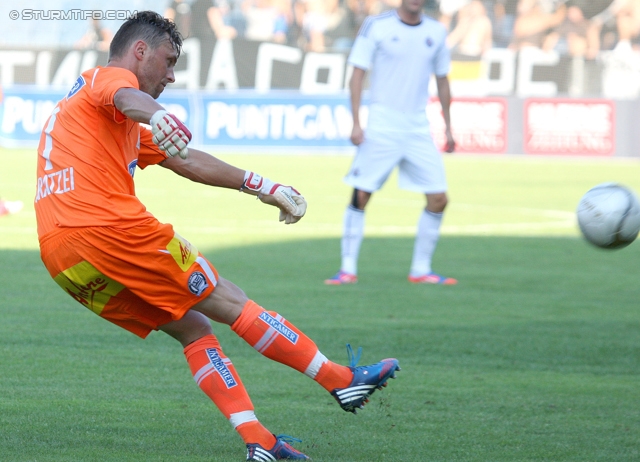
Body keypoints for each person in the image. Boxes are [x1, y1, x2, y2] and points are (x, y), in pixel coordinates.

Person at [34, 11, 399, 461]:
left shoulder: (102, 118)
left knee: (194, 328)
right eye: (168, 62)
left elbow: (187, 161)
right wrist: (160, 114)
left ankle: (260, 444)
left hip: (62, 258)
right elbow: (128, 95)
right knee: (228, 299)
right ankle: (341, 381)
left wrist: (265, 187)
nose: (171, 75)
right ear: (139, 51)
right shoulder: (104, 80)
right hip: (107, 230)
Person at [325, 0, 457, 286]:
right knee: (361, 194)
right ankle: (347, 268)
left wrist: (448, 126)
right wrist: (357, 122)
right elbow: (357, 73)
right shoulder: (378, 26)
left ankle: (421, 270)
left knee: (439, 199)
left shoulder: (436, 31)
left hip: (418, 128)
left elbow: (443, 80)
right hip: (382, 125)